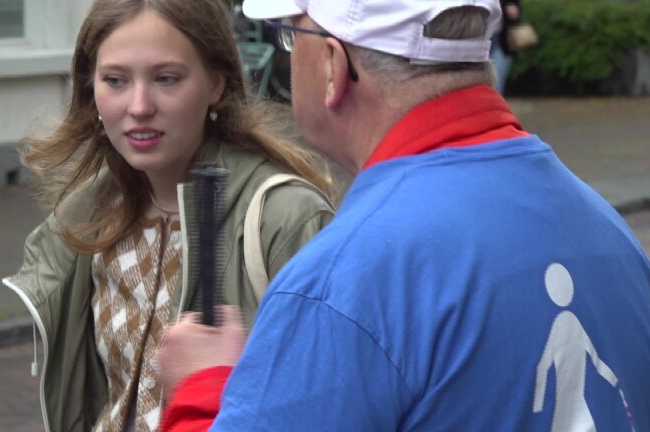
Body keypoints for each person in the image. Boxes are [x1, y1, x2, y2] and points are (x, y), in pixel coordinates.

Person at [157, 0, 650, 430]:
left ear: (332, 66)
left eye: (291, 36)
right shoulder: (608, 232)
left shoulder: (345, 280)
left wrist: (201, 389)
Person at [1, 0, 336, 430]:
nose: (139, 106)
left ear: (216, 84)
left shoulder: (284, 218)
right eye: (116, 80)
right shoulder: (88, 217)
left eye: (166, 78)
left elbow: (325, 406)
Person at [490, 0, 521, 94]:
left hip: (502, 41)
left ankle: (493, 102)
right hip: (479, 40)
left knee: (496, 81)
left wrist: (513, 13)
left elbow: (515, 15)